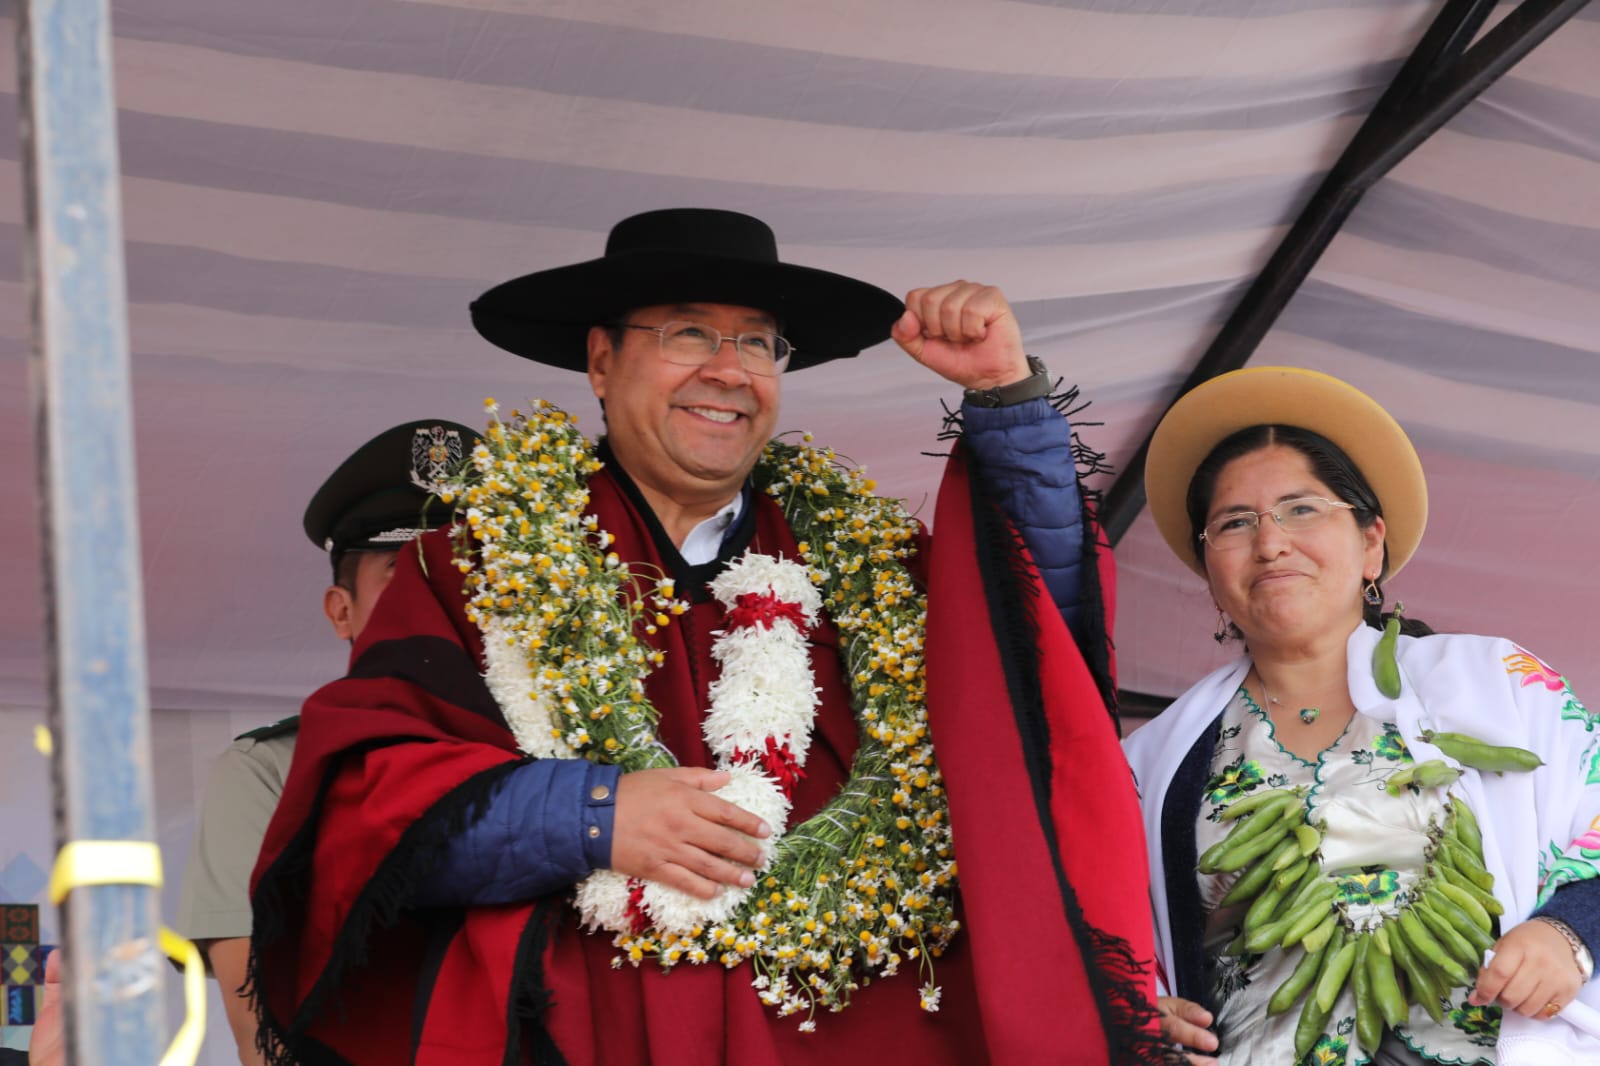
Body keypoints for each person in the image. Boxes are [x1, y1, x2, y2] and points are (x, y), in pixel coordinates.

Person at [249, 208, 1165, 1065]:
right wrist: (591, 816)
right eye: (688, 334)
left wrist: (1007, 399)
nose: (730, 371)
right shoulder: (477, 568)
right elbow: (371, 811)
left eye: (758, 342)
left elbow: (1030, 657)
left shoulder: (874, 570)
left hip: (854, 1033)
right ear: (601, 361)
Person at [1123, 366, 1600, 1066]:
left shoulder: (1496, 682)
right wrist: (1136, 1015)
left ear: (1371, 542)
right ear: (1208, 569)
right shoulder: (1154, 762)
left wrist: (1571, 934)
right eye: (1235, 523)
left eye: (1301, 509)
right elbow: (1103, 947)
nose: (1270, 542)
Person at [174, 418, 481, 1063]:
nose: (443, 599)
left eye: (466, 572)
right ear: (342, 611)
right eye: (406, 576)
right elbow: (265, 1032)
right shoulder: (269, 772)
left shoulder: (567, 756)